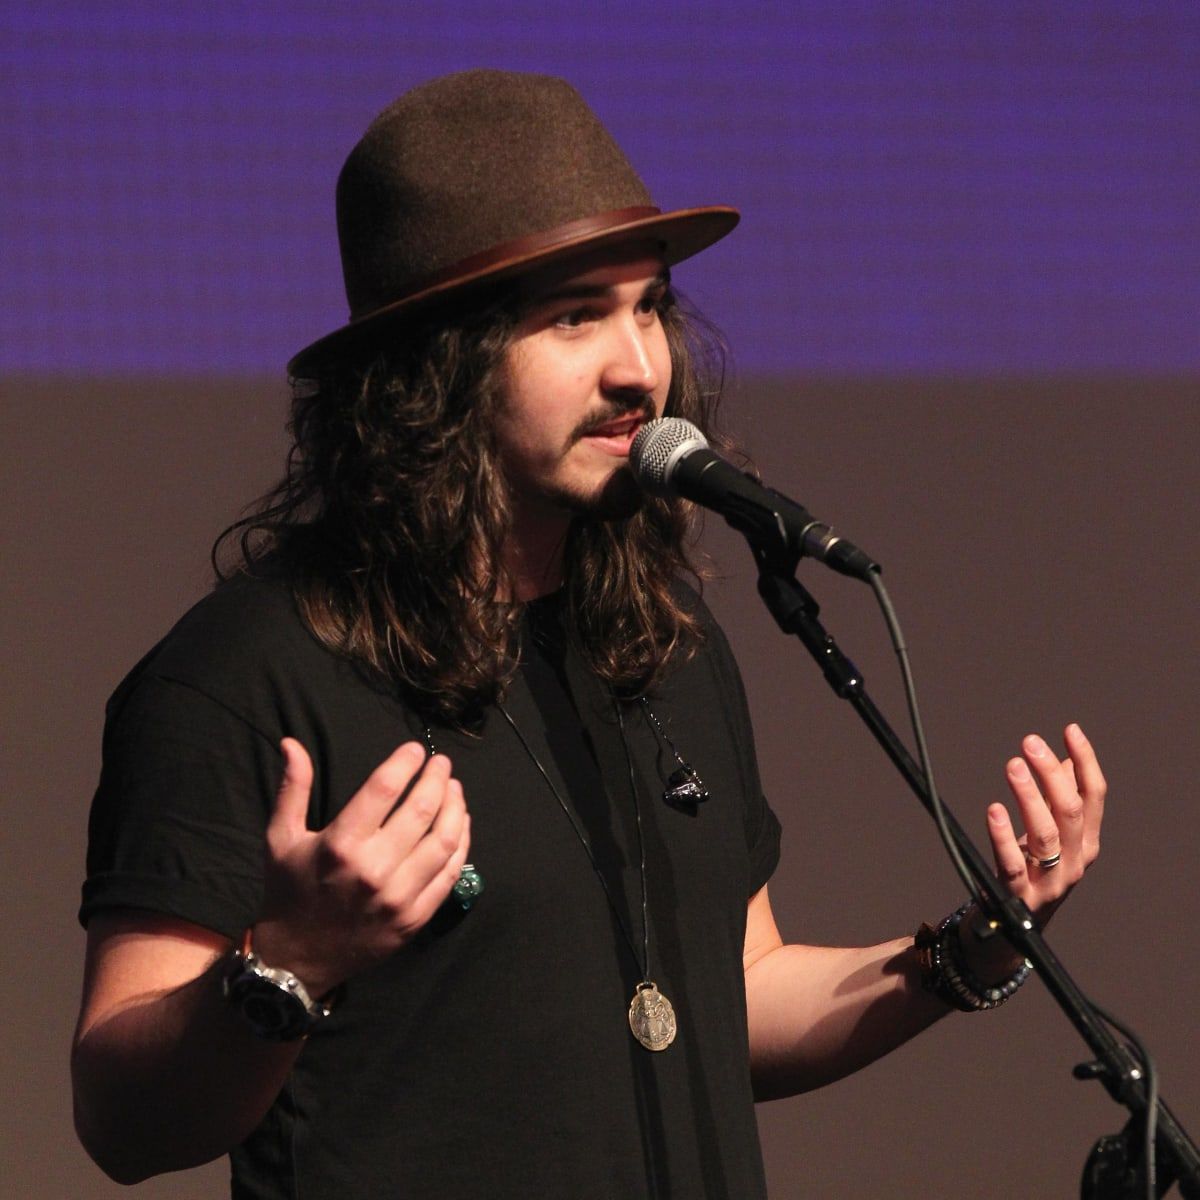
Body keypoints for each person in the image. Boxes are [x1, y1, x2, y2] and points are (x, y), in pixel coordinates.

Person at [71, 70, 1105, 1199]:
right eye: (576, 315)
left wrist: (970, 950)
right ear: (434, 371)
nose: (640, 369)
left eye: (650, 305)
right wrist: (292, 963)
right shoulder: (244, 675)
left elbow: (736, 997)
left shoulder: (659, 644)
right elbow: (122, 1118)